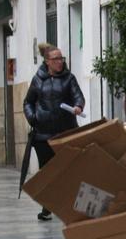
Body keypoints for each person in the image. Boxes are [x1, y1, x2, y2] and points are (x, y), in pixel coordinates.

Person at [23, 43, 85, 221]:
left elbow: (78, 96)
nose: (60, 62)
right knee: (47, 172)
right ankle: (47, 208)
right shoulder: (38, 79)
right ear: (47, 61)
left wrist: (78, 106)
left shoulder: (69, 78)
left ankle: (73, 207)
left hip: (66, 132)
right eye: (56, 59)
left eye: (61, 58)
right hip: (43, 135)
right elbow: (27, 102)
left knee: (69, 169)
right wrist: (33, 118)